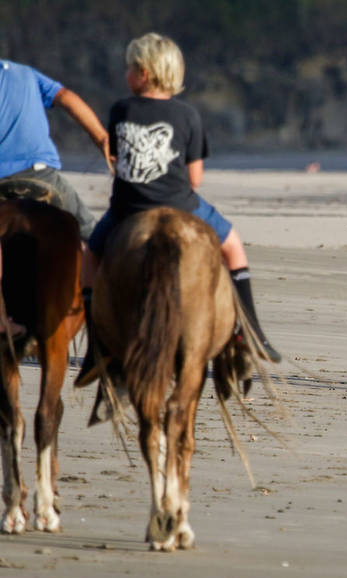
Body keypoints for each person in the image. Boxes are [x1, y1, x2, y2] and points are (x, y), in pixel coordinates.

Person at [76, 33, 280, 386]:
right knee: (232, 245)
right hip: (181, 203)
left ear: (142, 72)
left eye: (129, 67)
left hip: (128, 208)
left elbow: (117, 163)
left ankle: (96, 345)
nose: (126, 73)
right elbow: (195, 179)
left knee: (90, 258)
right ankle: (251, 334)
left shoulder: (120, 110)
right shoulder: (187, 114)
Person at [0, 58, 109, 241]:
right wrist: (102, 139)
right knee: (94, 236)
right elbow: (66, 97)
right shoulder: (25, 73)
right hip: (40, 176)